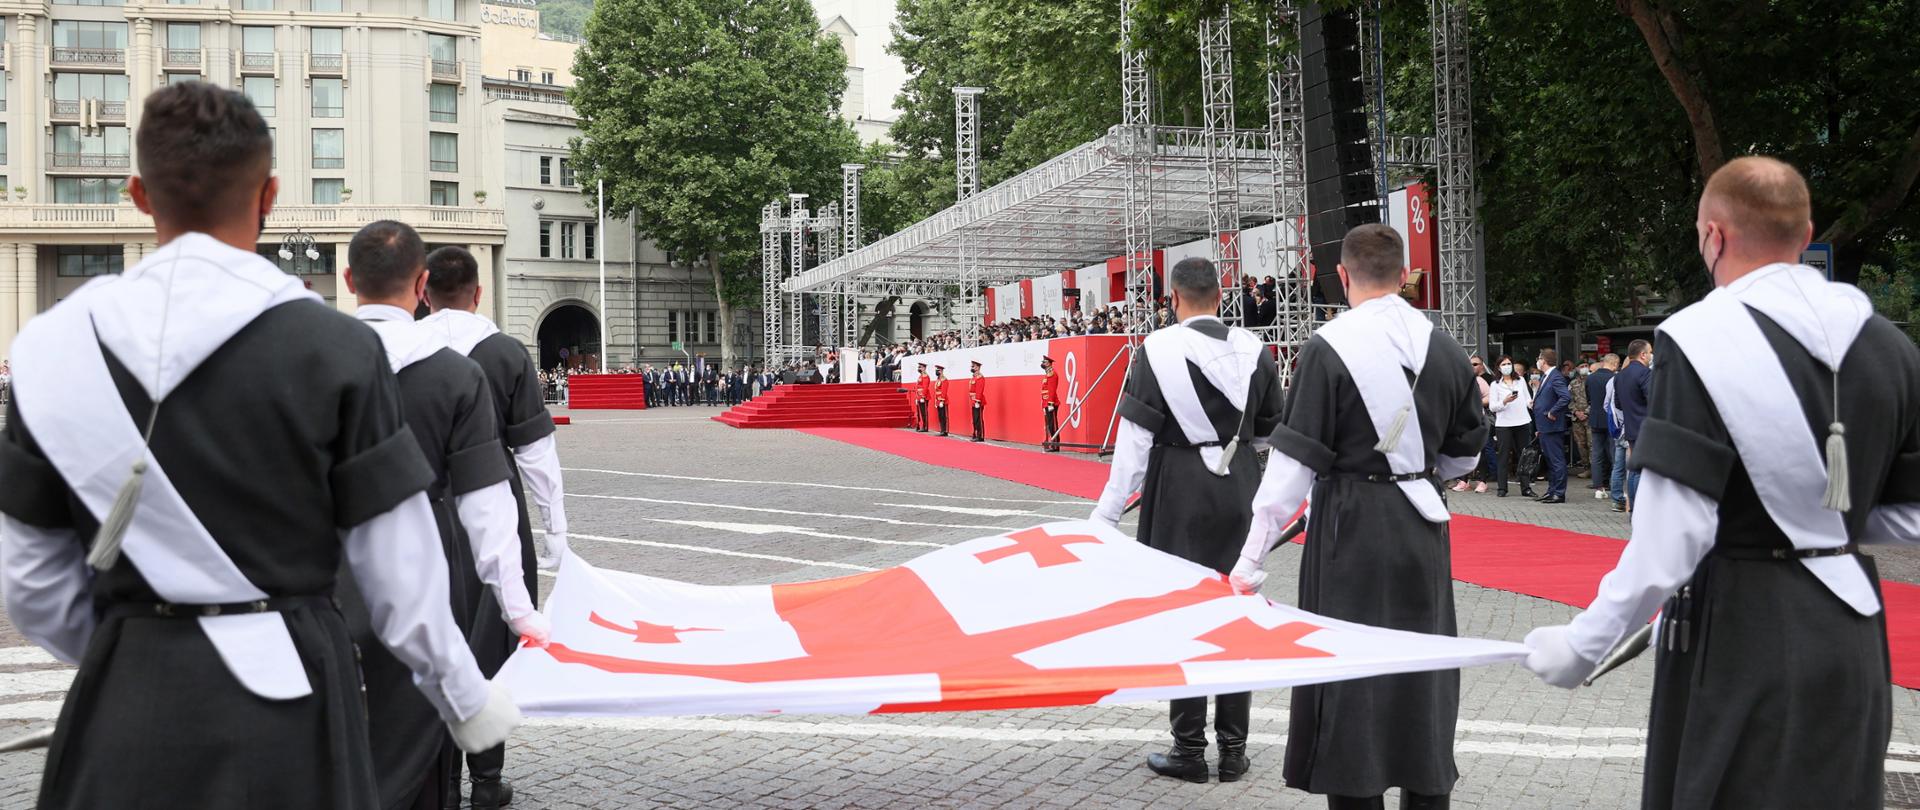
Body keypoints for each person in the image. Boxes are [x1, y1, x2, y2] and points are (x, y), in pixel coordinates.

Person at [0, 82, 517, 810]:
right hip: (294, 692)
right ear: (269, 192)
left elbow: (30, 581)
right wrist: (464, 698)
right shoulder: (335, 347)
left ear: (137, 194)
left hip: (125, 700)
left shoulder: (50, 347)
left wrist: (137, 648)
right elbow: (401, 573)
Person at [1522, 155, 1920, 809]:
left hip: (1743, 629)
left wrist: (1582, 644)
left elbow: (1672, 535)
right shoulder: (1889, 346)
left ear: (1713, 234)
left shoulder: (1698, 339)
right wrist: (1826, 522)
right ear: (1806, 230)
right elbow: (1909, 516)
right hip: (1853, 629)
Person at [1230, 224, 1486, 809]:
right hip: (1423, 524)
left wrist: (1249, 560)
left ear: (1342, 277)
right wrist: (1418, 476)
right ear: (1405, 276)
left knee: (1350, 678)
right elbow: (1468, 453)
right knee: (1424, 672)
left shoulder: (1325, 348)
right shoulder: (1444, 346)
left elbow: (1289, 472)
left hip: (1348, 526)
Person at [342, 222, 550, 810]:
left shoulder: (307, 361)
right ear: (422, 283)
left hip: (325, 567)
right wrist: (520, 610)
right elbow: (488, 507)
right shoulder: (458, 375)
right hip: (431, 558)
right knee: (426, 723)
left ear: (349, 278)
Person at [1091, 257, 1284, 785]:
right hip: (1240, 485)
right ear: (1220, 298)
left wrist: (1103, 518)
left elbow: (1133, 445)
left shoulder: (1155, 350)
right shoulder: (1256, 349)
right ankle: (1236, 749)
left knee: (1185, 616)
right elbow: (1270, 435)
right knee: (1237, 613)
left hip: (1177, 488)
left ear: (1173, 298)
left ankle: (1189, 750)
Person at [421, 246, 570, 808]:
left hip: (423, 503)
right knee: (491, 642)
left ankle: (436, 777)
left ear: (423, 290)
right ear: (479, 292)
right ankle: (486, 776)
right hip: (495, 498)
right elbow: (536, 454)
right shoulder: (506, 352)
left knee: (431, 634)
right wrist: (556, 534)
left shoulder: (408, 349)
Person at [1488, 356, 1536, 498]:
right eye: (1504, 364)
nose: (1507, 366)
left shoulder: (1520, 380)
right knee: (1503, 455)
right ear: (1498, 367)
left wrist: (1533, 400)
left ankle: (1526, 487)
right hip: (1504, 424)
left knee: (1524, 455)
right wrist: (1504, 401)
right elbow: (1492, 406)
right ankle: (1502, 487)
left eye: (1509, 363)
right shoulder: (1495, 385)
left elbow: (1527, 399)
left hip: (1522, 421)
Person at [1614, 339, 1654, 508]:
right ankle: (1641, 509)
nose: (1652, 355)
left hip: (1631, 427)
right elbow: (1653, 399)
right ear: (1643, 354)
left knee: (1635, 471)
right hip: (1647, 429)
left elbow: (1618, 404)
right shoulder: (1645, 373)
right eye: (1650, 351)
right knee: (1644, 472)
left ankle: (1633, 508)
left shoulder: (1620, 375)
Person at [1531, 348, 1572, 504]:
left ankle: (1559, 492)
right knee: (1550, 459)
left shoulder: (1555, 377)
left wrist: (1552, 411)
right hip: (1545, 426)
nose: (1538, 361)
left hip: (1552, 425)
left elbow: (1565, 397)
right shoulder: (1547, 376)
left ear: (1544, 360)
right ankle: (1552, 490)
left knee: (1556, 460)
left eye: (1539, 358)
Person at [1585, 354, 1618, 499]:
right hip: (1612, 420)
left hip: (1596, 419)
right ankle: (1614, 484)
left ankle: (1598, 486)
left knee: (1597, 454)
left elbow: (1589, 398)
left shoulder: (1590, 378)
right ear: (1615, 363)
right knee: (1614, 453)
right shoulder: (1615, 378)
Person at [1040, 356, 1062, 452]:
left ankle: (1055, 445)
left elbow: (1052, 390)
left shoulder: (1052, 374)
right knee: (1049, 424)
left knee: (1053, 424)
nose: (1042, 363)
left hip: (1051, 403)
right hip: (1046, 403)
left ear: (1048, 363)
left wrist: (1050, 404)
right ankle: (1052, 443)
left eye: (1044, 362)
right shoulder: (1047, 374)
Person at [968, 360, 988, 443]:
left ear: (978, 367)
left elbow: (979, 390)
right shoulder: (974, 377)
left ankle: (980, 436)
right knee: (974, 419)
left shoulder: (980, 378)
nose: (972, 368)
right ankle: (975, 434)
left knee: (978, 418)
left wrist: (977, 401)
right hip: (973, 400)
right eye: (972, 366)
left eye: (973, 366)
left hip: (978, 401)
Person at [933, 365, 950, 437]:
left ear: (942, 371)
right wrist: (936, 401)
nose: (937, 372)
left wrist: (942, 401)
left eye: (938, 370)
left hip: (943, 401)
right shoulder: (938, 380)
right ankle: (942, 430)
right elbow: (936, 391)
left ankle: (945, 430)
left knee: (944, 416)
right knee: (940, 416)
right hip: (938, 400)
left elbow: (944, 391)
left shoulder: (944, 380)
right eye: (936, 370)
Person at [914, 363, 931, 432]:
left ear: (924, 368)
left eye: (920, 367)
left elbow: (925, 387)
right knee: (920, 412)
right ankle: (921, 426)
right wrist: (917, 397)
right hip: (919, 396)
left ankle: (925, 427)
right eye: (919, 367)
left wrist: (923, 397)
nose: (919, 369)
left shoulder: (925, 376)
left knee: (924, 413)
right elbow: (918, 386)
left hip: (923, 397)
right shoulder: (921, 376)